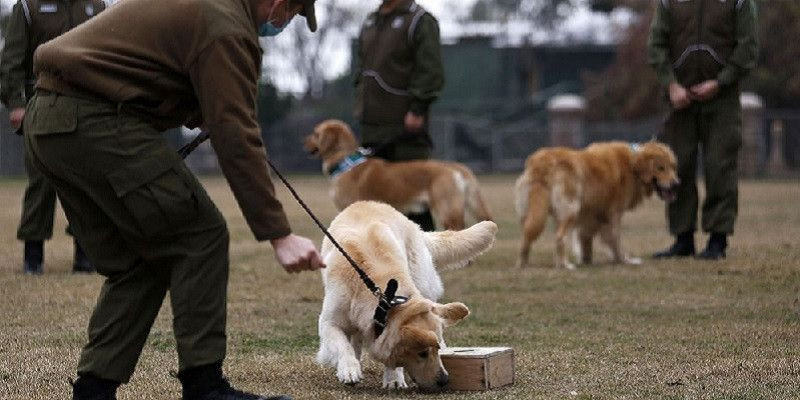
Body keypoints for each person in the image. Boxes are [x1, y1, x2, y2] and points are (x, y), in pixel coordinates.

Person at [23, 0, 322, 398]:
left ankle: (93, 390)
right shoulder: (226, 24)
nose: (285, 24)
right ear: (280, 3)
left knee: (138, 259)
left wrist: (194, 104)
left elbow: (153, 69)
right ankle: (205, 387)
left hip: (48, 120)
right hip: (95, 119)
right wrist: (279, 235)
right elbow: (235, 131)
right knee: (201, 234)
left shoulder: (207, 7)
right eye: (293, 14)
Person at [0, 0, 106, 275]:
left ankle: (86, 256)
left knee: (87, 181)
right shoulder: (27, 7)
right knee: (41, 180)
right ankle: (32, 257)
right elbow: (11, 61)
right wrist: (16, 103)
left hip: (87, 105)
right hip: (42, 104)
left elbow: (108, 54)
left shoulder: (97, 5)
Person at [648, 0, 758, 260]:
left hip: (722, 99)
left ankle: (717, 241)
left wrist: (721, 82)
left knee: (720, 165)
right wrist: (671, 84)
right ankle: (682, 238)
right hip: (679, 98)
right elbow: (656, 45)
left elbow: (748, 47)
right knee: (677, 166)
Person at [354, 0, 444, 231]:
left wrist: (418, 109)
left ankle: (426, 257)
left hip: (405, 128)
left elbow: (430, 70)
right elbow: (362, 67)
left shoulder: (420, 21)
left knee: (413, 201)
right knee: (375, 201)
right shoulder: (371, 20)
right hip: (372, 126)